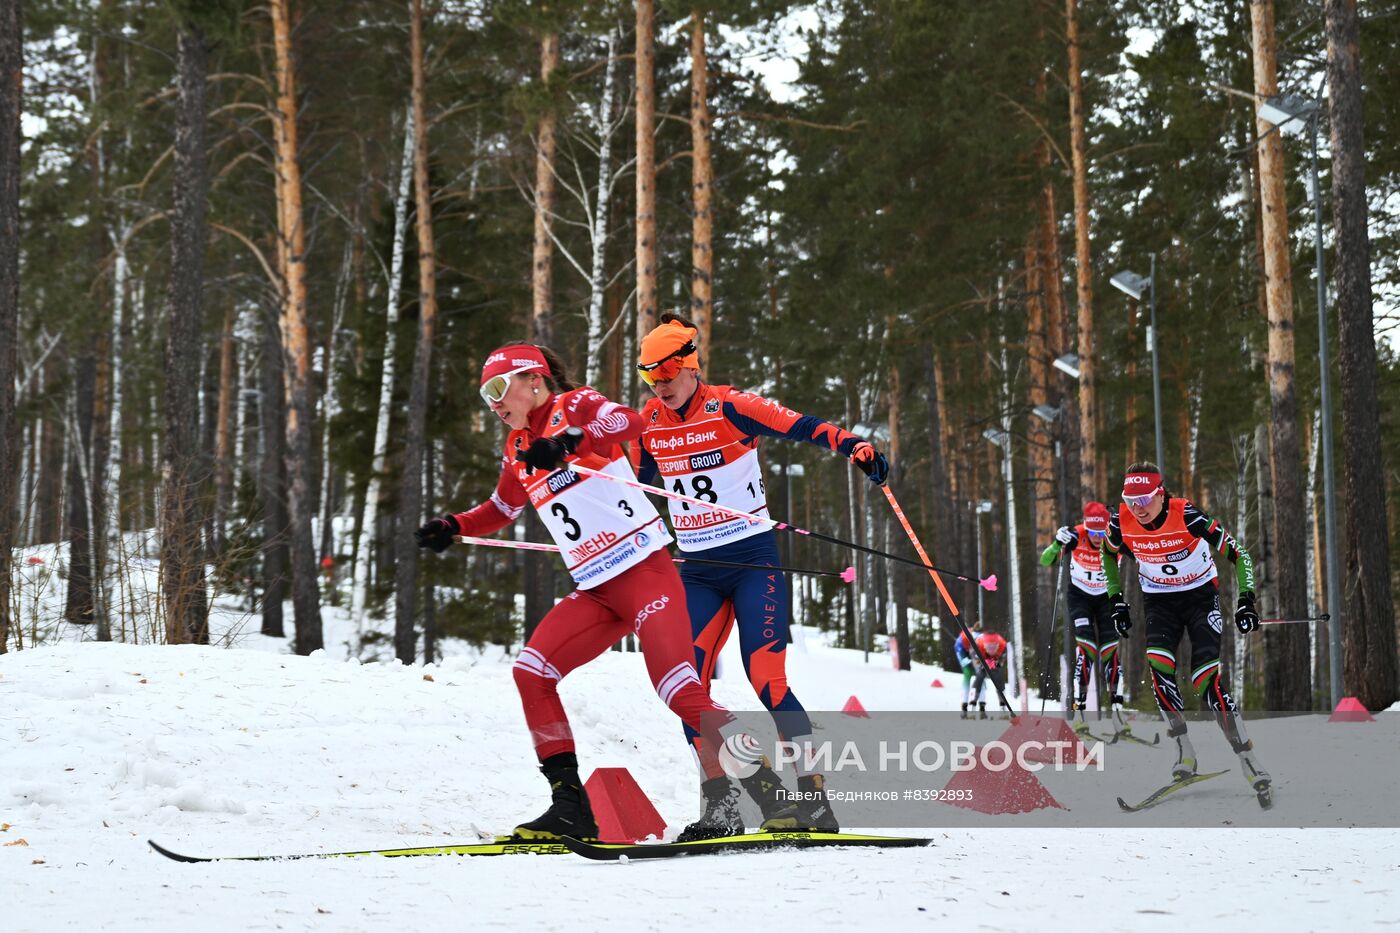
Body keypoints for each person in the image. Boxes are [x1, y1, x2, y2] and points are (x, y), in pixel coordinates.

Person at [415, 343, 754, 841]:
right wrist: (453, 524)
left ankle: (773, 784)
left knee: (678, 690)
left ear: (533, 379)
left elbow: (630, 424)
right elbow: (500, 509)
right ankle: (570, 806)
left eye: (496, 389)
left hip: (644, 574)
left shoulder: (575, 406)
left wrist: (571, 441)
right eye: (483, 395)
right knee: (531, 673)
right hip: (595, 591)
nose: (491, 403)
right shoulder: (516, 450)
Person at [634, 315, 890, 839]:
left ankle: (814, 800)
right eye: (649, 378)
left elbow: (802, 425)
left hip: (752, 561)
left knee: (767, 679)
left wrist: (853, 445)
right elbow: (632, 487)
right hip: (698, 569)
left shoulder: (729, 405)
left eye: (664, 376)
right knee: (688, 687)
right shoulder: (649, 423)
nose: (658, 387)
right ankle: (720, 806)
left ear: (688, 366)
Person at [1100, 462, 1271, 802]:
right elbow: (1107, 557)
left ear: (1161, 494)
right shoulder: (1121, 521)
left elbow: (1240, 555)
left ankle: (1248, 758)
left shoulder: (1188, 515)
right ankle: (1184, 749)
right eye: (1130, 499)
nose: (1138, 507)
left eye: (1145, 499)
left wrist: (1247, 601)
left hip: (1200, 597)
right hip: (1160, 602)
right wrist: (1116, 600)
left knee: (1205, 679)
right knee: (1158, 664)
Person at [1039, 502, 1124, 736]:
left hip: (1107, 597)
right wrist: (1057, 542)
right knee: (1086, 650)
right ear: (1087, 528)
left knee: (1110, 652)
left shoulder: (1116, 535)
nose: (1098, 538)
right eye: (1093, 533)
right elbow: (1046, 561)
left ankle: (1118, 712)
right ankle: (1079, 712)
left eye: (1102, 533)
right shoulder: (1076, 536)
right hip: (1080, 598)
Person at [970, 630, 1007, 719]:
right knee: (979, 678)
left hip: (996, 659)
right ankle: (973, 707)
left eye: (994, 646)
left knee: (999, 681)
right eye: (989, 646)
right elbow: (973, 656)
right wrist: (981, 663)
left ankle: (1003, 707)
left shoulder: (1002, 645)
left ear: (997, 645)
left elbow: (1003, 659)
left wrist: (996, 663)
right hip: (981, 658)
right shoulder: (978, 644)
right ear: (985, 645)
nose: (991, 649)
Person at [954, 621, 984, 718]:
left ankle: (982, 707)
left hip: (975, 655)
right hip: (964, 652)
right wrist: (967, 662)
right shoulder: (963, 638)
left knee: (981, 677)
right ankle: (964, 707)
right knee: (967, 674)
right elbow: (958, 649)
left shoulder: (983, 639)